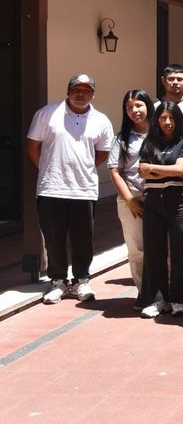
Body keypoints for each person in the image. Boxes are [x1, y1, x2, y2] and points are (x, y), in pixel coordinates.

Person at [28, 74, 114, 305]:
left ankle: (81, 281)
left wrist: (82, 168)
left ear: (93, 94)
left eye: (86, 90)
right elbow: (33, 145)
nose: (80, 94)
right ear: (68, 92)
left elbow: (103, 152)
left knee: (83, 238)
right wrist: (46, 168)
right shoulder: (47, 113)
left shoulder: (101, 120)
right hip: (51, 188)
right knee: (53, 238)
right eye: (76, 89)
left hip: (83, 189)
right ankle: (57, 281)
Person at [137, 101, 183, 317]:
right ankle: (159, 300)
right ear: (157, 120)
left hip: (180, 201)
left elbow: (180, 170)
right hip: (153, 201)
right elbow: (142, 172)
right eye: (162, 118)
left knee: (181, 250)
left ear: (178, 119)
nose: (167, 122)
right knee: (154, 252)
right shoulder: (149, 142)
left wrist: (153, 168)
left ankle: (179, 300)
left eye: (171, 118)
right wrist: (166, 170)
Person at [108, 89, 154, 301]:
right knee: (137, 249)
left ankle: (166, 292)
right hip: (132, 197)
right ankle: (144, 292)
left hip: (159, 196)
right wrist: (130, 200)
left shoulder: (161, 132)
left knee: (166, 246)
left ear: (148, 106)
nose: (134, 110)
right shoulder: (121, 139)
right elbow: (115, 172)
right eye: (129, 107)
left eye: (138, 105)